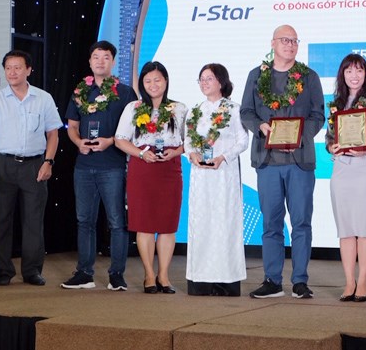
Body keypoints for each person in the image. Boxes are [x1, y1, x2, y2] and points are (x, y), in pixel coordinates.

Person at [241, 25, 325, 299]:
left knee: (301, 223)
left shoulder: (309, 77)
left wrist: (300, 136)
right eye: (285, 40)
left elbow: (318, 115)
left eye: (294, 41)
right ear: (273, 43)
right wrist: (261, 127)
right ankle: (272, 280)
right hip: (267, 161)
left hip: (300, 161)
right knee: (271, 224)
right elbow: (246, 112)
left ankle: (300, 281)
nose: (290, 45)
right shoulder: (256, 75)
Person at [0, 50, 62, 286]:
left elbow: (53, 134)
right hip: (2, 165)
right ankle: (2, 271)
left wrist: (48, 162)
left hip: (35, 165)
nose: (12, 72)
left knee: (34, 221)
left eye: (17, 67)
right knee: (1, 220)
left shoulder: (43, 98)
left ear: (29, 70)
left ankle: (32, 271)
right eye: (8, 68)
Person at [61, 41, 137, 291]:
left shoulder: (125, 93)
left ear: (113, 62)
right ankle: (84, 273)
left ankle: (117, 275)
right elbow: (72, 126)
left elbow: (133, 129)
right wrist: (78, 142)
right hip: (83, 166)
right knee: (84, 221)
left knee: (116, 222)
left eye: (106, 57)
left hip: (112, 165)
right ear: (90, 61)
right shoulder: (80, 92)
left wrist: (110, 141)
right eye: (96, 56)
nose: (100, 61)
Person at [115, 61, 187, 294]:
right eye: (148, 81)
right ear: (142, 84)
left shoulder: (179, 108)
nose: (153, 85)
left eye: (157, 80)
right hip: (142, 168)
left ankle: (163, 275)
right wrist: (141, 153)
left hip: (169, 169)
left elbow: (190, 142)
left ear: (166, 81)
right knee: (144, 224)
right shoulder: (133, 107)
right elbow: (120, 139)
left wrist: (175, 152)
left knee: (167, 225)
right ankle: (148, 275)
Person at [325, 54, 366, 302]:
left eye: (359, 70)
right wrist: (331, 147)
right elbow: (329, 138)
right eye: (349, 71)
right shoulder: (336, 104)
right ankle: (349, 282)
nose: (354, 76)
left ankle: (363, 281)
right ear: (342, 75)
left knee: (364, 227)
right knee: (345, 229)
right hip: (341, 171)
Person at [184, 63, 249, 296]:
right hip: (201, 177)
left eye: (209, 78)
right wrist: (192, 154)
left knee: (225, 224)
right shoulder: (195, 111)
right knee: (201, 224)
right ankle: (201, 280)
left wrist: (223, 157)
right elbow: (188, 141)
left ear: (221, 81)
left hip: (224, 176)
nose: (204, 83)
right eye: (201, 79)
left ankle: (226, 280)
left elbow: (243, 141)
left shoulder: (234, 109)